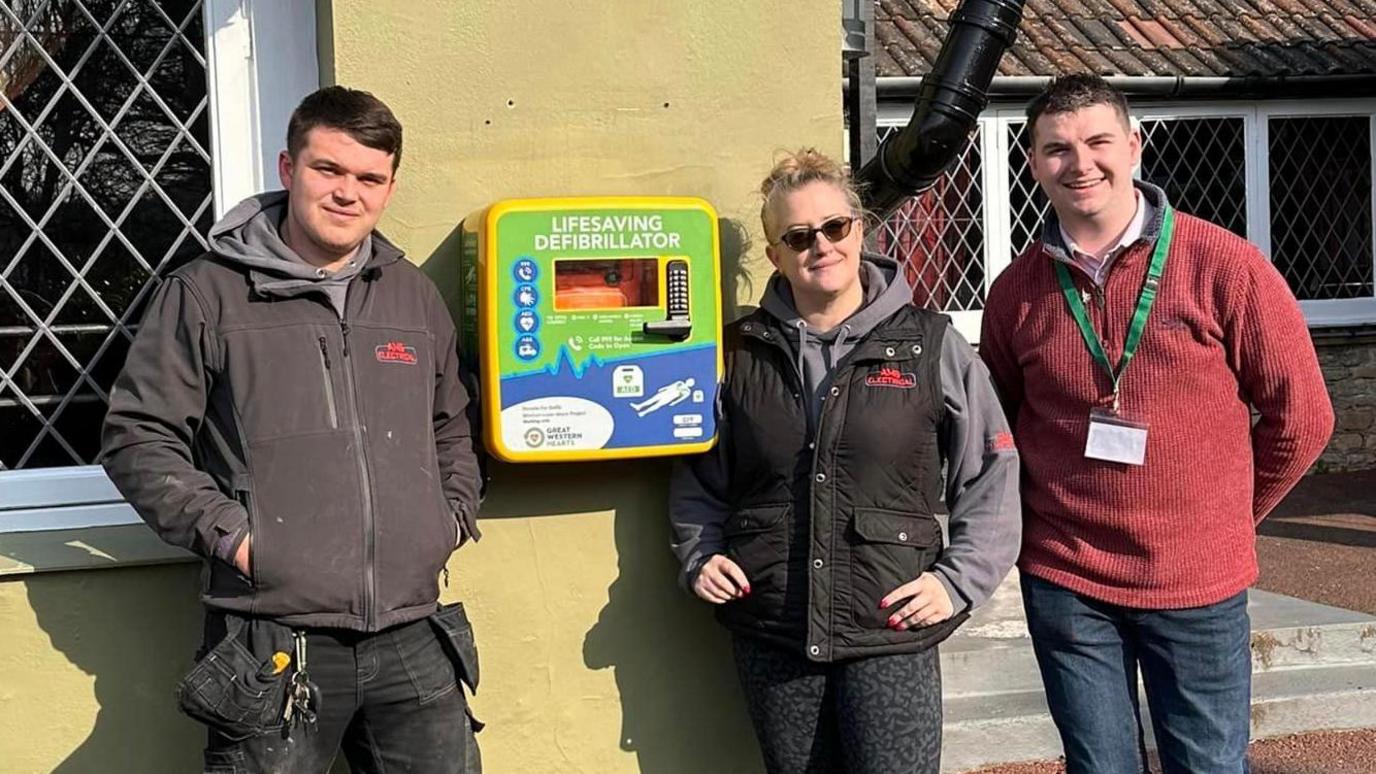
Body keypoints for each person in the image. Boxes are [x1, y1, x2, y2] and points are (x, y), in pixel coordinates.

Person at [101, 86, 485, 773]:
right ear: (287, 168)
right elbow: (138, 436)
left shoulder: (411, 296)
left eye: (369, 178)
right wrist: (237, 538)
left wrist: (448, 518)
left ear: (390, 187)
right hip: (273, 638)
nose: (348, 193)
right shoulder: (205, 292)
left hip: (413, 630)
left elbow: (450, 426)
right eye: (328, 170)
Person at [979, 74, 1335, 774]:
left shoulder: (1225, 266)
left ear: (1134, 147)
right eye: (1057, 148)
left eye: (1098, 141)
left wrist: (1229, 514)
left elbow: (1303, 418)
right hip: (1067, 579)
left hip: (1196, 581)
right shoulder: (1015, 292)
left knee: (1208, 764)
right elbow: (1002, 428)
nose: (1080, 162)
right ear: (1033, 164)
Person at [670, 148, 1021, 773]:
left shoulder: (931, 345)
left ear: (861, 229)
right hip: (775, 628)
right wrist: (699, 554)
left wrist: (957, 581)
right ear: (776, 255)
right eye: (798, 236)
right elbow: (699, 476)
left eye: (835, 227)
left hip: (888, 630)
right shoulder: (736, 352)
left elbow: (991, 474)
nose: (821, 246)